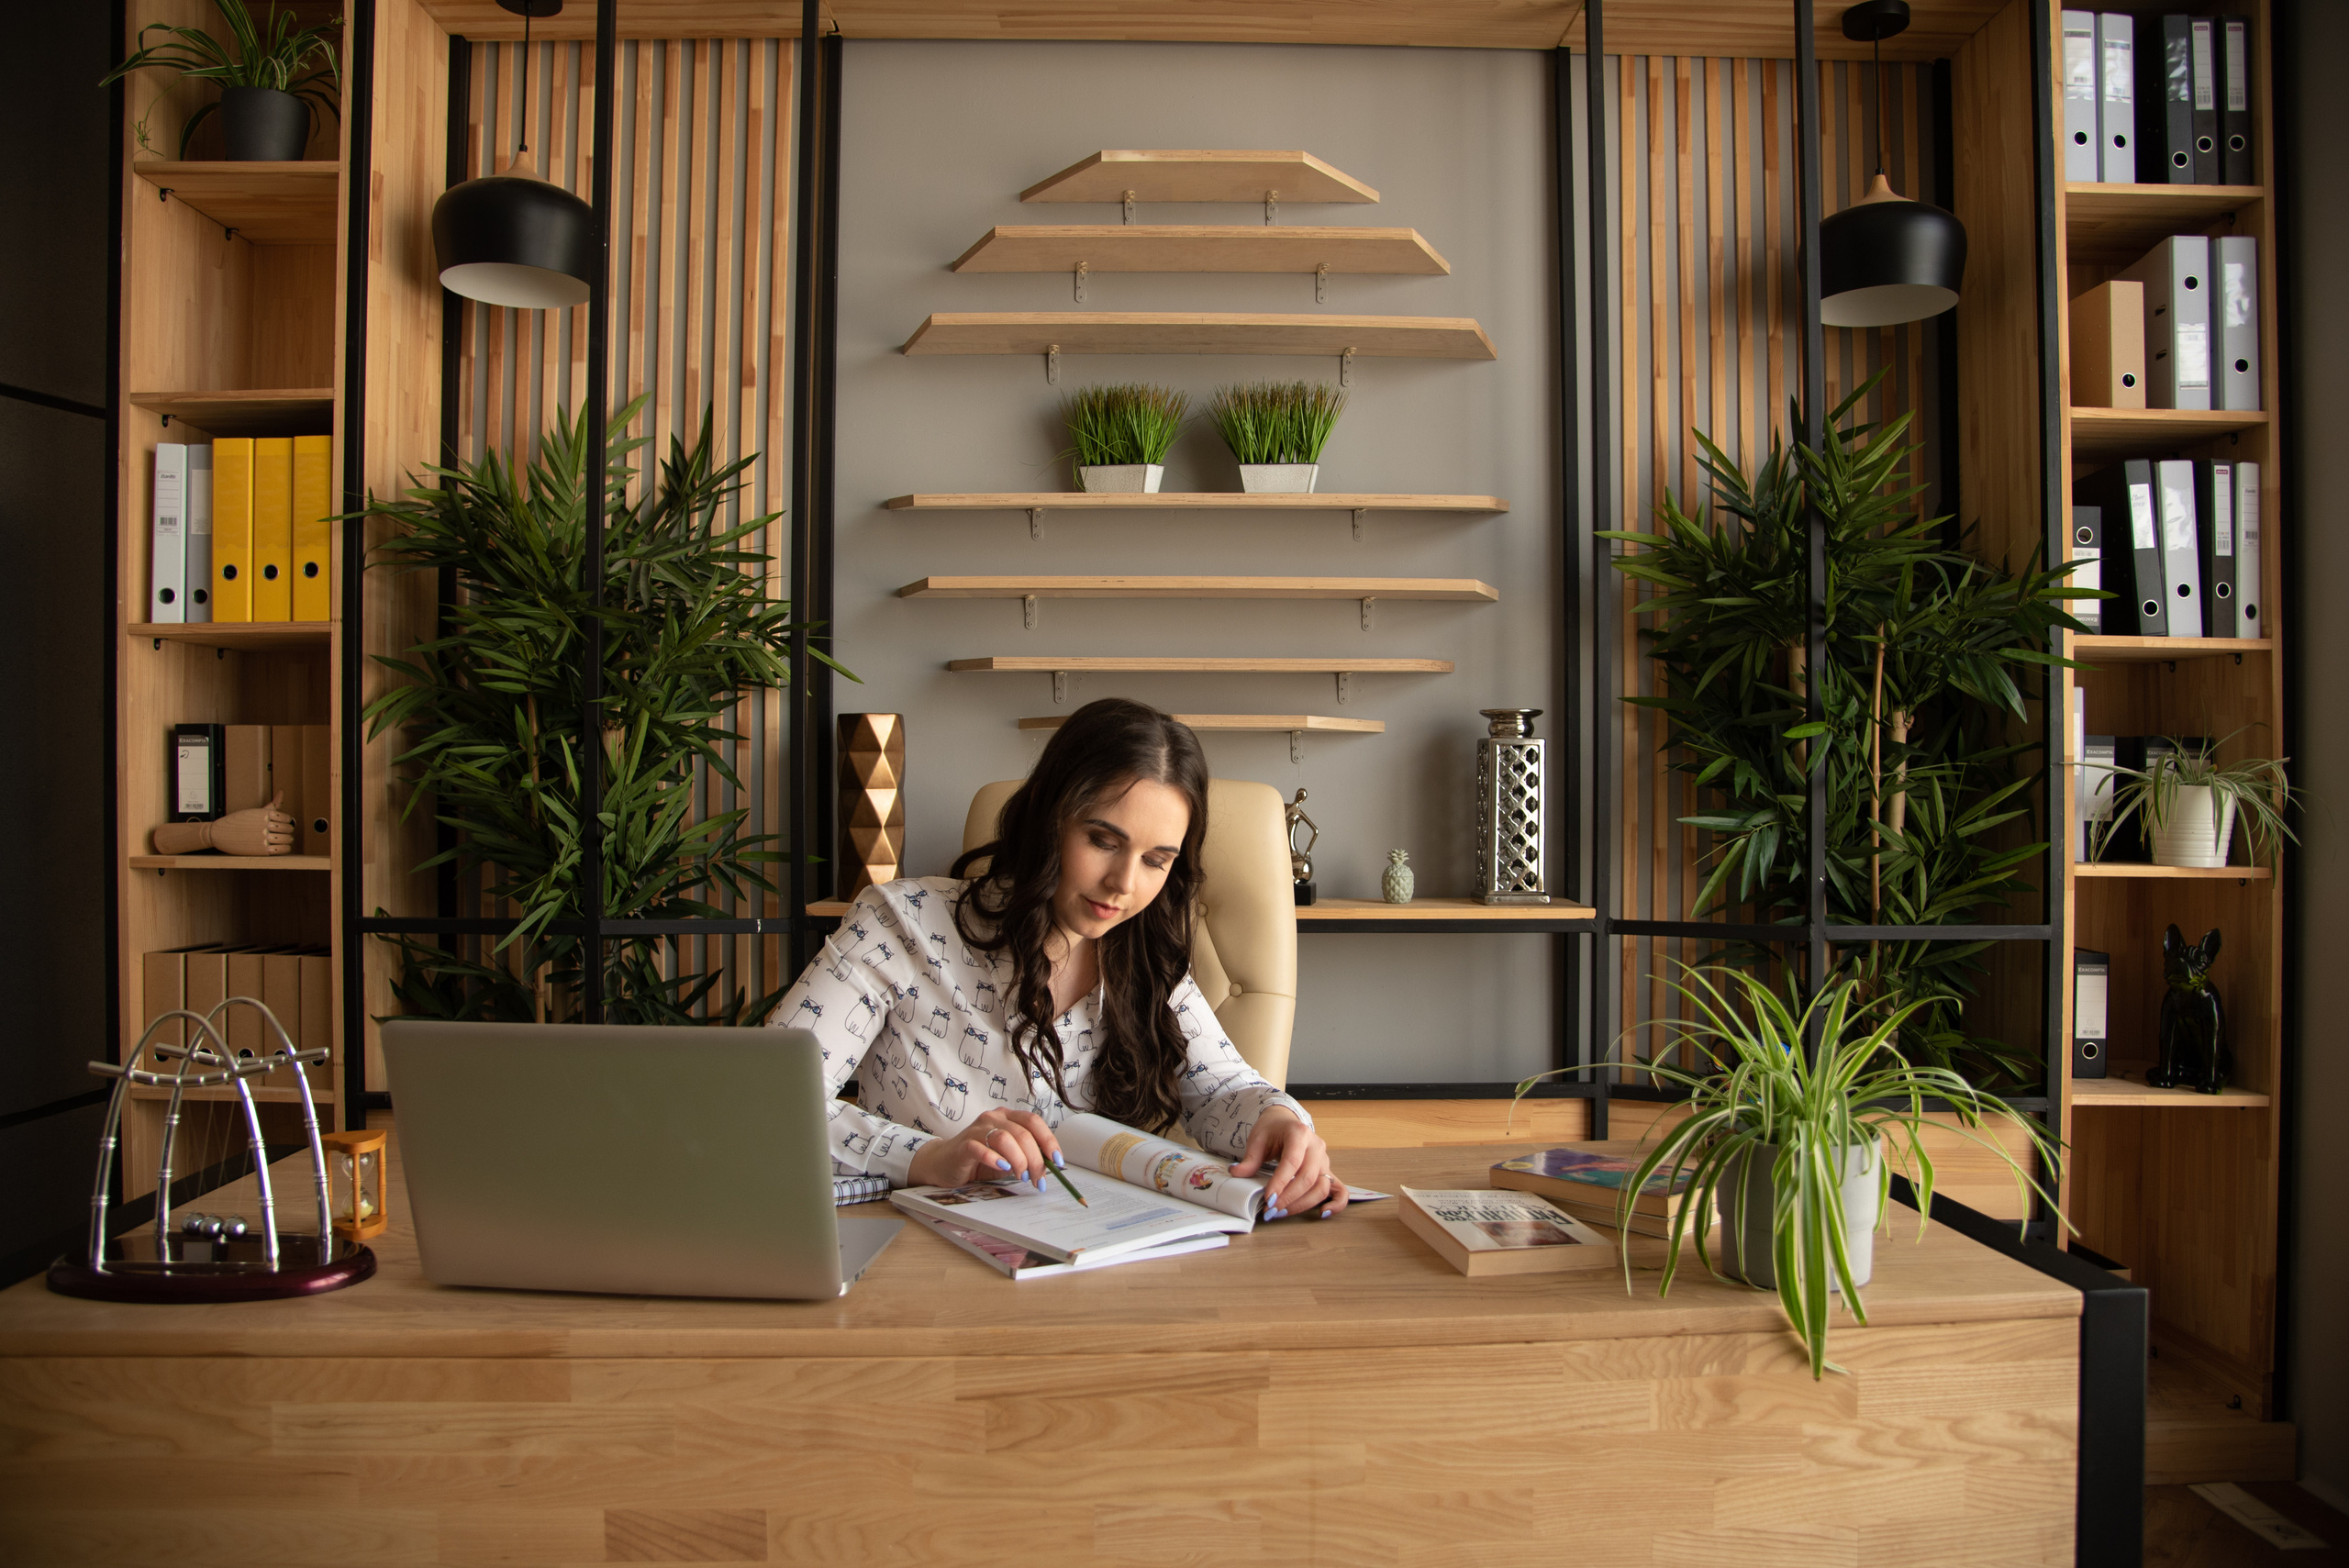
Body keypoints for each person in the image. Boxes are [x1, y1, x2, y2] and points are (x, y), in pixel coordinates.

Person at [770, 697, 1348, 1221]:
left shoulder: (1144, 960)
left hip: (1091, 1269)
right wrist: (925, 1157)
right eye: (1103, 840)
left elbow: (1222, 1089)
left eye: (1156, 859)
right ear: (1051, 817)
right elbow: (763, 1104)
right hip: (916, 1268)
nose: (1123, 883)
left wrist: (1279, 1121)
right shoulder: (899, 924)